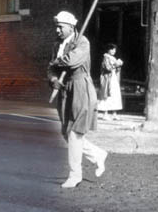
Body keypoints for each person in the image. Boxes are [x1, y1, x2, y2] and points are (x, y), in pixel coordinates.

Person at [47, 11, 107, 188]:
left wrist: (56, 63)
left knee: (75, 132)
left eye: (61, 27)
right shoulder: (57, 45)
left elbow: (72, 61)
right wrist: (53, 79)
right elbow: (50, 69)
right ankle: (97, 155)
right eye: (56, 26)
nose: (57, 30)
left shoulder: (82, 41)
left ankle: (75, 175)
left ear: (71, 27)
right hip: (65, 89)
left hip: (81, 87)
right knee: (67, 132)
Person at [97, 43, 123, 120]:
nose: (113, 51)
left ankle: (114, 113)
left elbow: (116, 69)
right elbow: (107, 68)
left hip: (114, 77)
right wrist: (116, 64)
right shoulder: (106, 57)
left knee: (115, 95)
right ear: (108, 50)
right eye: (111, 49)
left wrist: (119, 65)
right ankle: (105, 114)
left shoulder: (113, 58)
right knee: (107, 95)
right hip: (108, 78)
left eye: (114, 49)